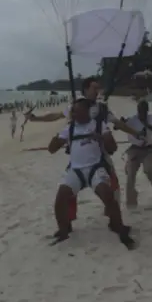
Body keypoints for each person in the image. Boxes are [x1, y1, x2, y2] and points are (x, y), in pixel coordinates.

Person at [27, 76, 142, 223]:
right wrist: (36, 119)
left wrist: (135, 133)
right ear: (86, 90)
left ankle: (112, 213)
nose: (97, 91)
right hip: (79, 154)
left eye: (98, 88)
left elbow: (118, 123)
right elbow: (55, 116)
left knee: (112, 184)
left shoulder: (102, 108)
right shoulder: (75, 107)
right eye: (94, 88)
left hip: (101, 152)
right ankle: (69, 217)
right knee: (69, 188)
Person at [47, 98, 135, 249]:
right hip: (75, 170)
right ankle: (63, 230)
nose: (73, 113)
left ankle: (119, 227)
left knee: (108, 195)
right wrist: (57, 139)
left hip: (95, 168)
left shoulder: (100, 126)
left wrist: (100, 138)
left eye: (76, 110)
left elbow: (113, 148)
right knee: (60, 198)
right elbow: (51, 149)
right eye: (72, 110)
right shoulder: (70, 128)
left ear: (86, 111)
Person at [124, 100, 152, 208]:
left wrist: (145, 122)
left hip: (148, 150)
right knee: (131, 175)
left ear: (147, 111)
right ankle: (131, 202)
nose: (142, 114)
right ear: (137, 111)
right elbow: (119, 126)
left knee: (148, 169)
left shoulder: (150, 118)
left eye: (144, 112)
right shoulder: (132, 119)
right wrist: (122, 122)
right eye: (140, 111)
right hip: (134, 150)